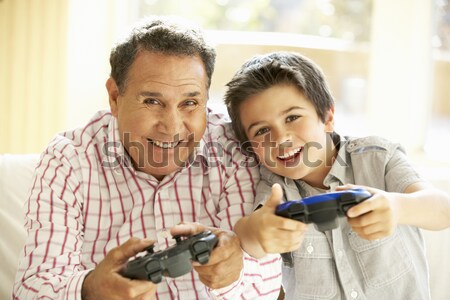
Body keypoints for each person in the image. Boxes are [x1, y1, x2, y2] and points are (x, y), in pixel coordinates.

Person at [13, 16, 282, 300]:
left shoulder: (232, 149)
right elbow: (33, 288)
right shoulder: (68, 159)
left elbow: (265, 285)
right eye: (152, 101)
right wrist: (90, 289)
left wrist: (233, 273)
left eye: (190, 103)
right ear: (115, 97)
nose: (172, 126)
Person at [224, 51, 450, 299]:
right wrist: (259, 230)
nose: (281, 138)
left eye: (292, 117)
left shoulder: (378, 157)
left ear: (328, 117)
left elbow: (442, 209)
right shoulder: (275, 188)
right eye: (262, 130)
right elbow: (249, 237)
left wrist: (397, 207)